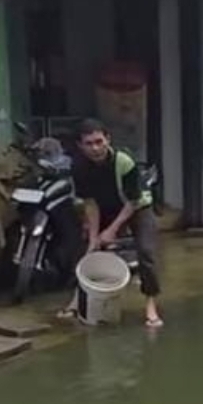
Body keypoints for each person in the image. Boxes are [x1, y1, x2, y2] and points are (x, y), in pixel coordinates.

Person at [67, 119, 163, 328]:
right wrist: (94, 238)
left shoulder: (124, 161)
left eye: (99, 141)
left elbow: (133, 201)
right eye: (89, 143)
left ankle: (150, 303)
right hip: (105, 208)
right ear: (80, 146)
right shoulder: (79, 167)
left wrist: (111, 231)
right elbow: (90, 204)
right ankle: (77, 301)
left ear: (107, 139)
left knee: (146, 252)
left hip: (137, 207)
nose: (95, 148)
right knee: (83, 248)